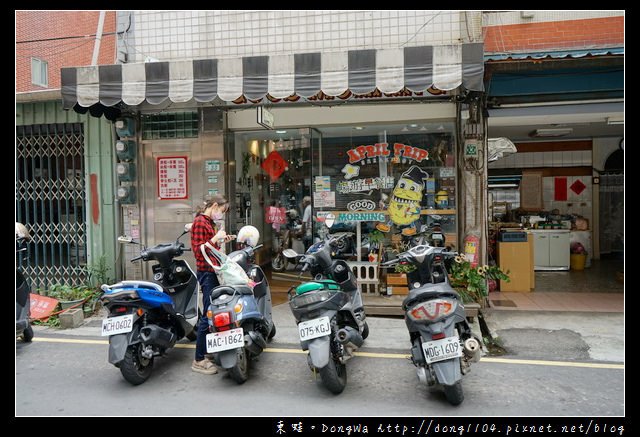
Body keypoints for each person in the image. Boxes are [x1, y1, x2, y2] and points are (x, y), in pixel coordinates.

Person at [190, 195, 235, 374]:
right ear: (215, 206)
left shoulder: (207, 222)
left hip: (212, 270)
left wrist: (223, 239)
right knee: (207, 313)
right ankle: (198, 360)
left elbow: (209, 247)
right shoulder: (200, 222)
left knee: (213, 311)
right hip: (206, 272)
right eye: (221, 211)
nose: (221, 214)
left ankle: (207, 350)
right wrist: (216, 238)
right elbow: (199, 251)